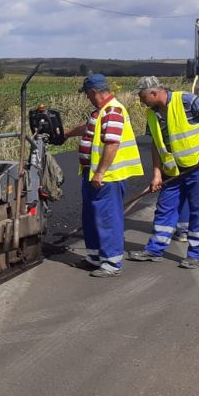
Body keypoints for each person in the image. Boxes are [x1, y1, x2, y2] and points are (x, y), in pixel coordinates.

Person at [130, 76, 199, 269]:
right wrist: (157, 174)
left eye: (142, 97)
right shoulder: (152, 114)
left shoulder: (186, 101)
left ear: (153, 93)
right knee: (165, 208)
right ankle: (154, 249)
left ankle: (195, 254)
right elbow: (156, 145)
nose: (140, 101)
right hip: (172, 171)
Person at [62, 74, 144, 278]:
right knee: (91, 216)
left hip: (108, 176)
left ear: (94, 92)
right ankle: (94, 257)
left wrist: (100, 172)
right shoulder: (101, 111)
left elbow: (112, 143)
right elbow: (88, 127)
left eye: (87, 94)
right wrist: (66, 133)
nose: (87, 97)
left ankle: (112, 263)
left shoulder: (113, 111)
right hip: (92, 174)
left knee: (107, 218)